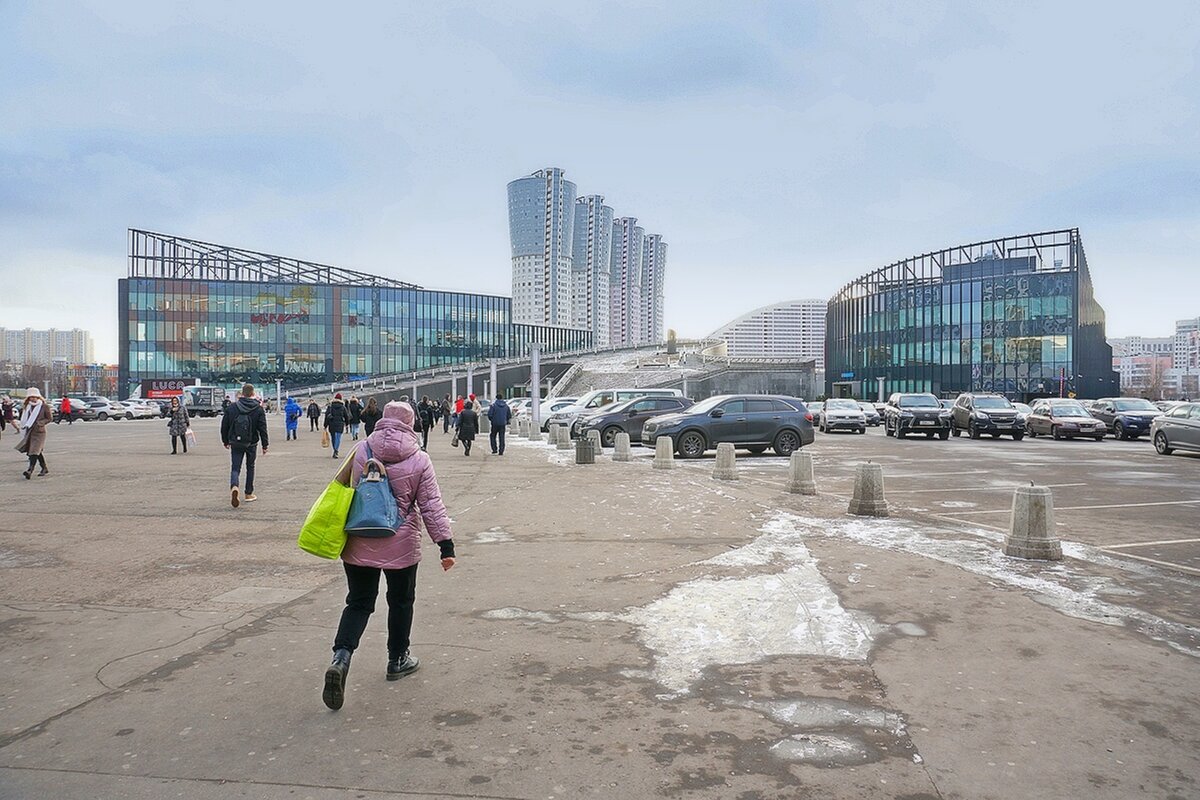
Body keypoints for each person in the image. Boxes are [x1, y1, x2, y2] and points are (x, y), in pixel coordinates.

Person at [322, 400, 456, 711]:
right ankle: (397, 659)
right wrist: (445, 545)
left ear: (383, 420)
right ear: (411, 423)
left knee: (358, 601)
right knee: (401, 601)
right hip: (401, 542)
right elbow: (431, 506)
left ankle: (341, 658)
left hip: (359, 539)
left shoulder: (361, 449)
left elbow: (341, 488)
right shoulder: (420, 459)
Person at [220, 383, 269, 507]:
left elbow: (224, 425)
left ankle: (234, 486)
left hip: (236, 442)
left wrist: (225, 441)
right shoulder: (258, 409)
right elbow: (262, 428)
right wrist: (265, 444)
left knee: (235, 467)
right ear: (253, 394)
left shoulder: (232, 407)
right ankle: (248, 493)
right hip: (251, 443)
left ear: (242, 393)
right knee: (250, 467)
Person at [16, 388, 53, 479]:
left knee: (34, 451)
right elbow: (24, 418)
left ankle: (30, 470)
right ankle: (44, 468)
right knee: (35, 451)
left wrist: (40, 423)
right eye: (31, 397)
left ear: (38, 397)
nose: (33, 399)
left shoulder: (44, 406)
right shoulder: (27, 406)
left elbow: (49, 418)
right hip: (29, 431)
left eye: (35, 397)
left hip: (39, 432)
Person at [324, 393, 348, 458]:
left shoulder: (330, 406)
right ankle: (336, 450)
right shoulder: (343, 407)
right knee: (338, 437)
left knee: (333, 437)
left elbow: (326, 416)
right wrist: (347, 424)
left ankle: (334, 449)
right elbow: (346, 416)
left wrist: (325, 425)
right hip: (340, 424)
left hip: (332, 424)